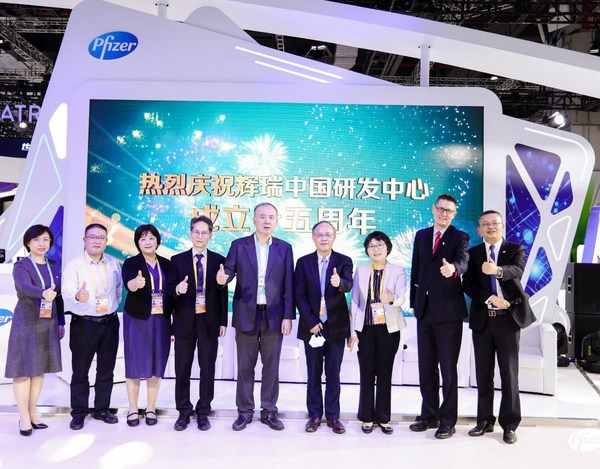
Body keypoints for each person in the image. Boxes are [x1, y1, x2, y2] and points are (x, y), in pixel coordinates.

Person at [216, 202, 294, 431]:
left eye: (271, 217)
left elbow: (289, 284)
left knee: (271, 367)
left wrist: (288, 316)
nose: (267, 221)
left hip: (274, 315)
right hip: (246, 314)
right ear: (254, 220)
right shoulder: (239, 245)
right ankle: (244, 412)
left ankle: (269, 411)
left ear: (276, 221)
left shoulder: (284, 248)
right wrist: (222, 279)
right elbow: (228, 271)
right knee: (244, 366)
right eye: (262, 217)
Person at [462, 210, 535, 444]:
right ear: (479, 230)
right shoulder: (473, 254)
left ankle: (509, 425)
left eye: (495, 223)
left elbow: (518, 269)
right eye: (486, 224)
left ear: (503, 226)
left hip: (508, 320)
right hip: (483, 320)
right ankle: (484, 421)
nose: (491, 227)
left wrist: (498, 271)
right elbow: (468, 284)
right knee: (484, 374)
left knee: (509, 374)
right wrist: (489, 298)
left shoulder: (515, 249)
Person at [409, 193, 469, 439]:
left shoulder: (459, 237)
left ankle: (448, 421)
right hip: (424, 310)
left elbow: (463, 261)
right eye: (441, 209)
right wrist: (414, 303)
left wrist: (453, 269)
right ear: (433, 210)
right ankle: (429, 415)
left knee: (448, 369)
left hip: (448, 313)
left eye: (449, 211)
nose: (444, 214)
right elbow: (416, 270)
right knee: (426, 367)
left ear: (454, 214)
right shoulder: (422, 235)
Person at [167, 216, 228, 432]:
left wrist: (223, 321)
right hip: (184, 321)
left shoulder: (219, 260)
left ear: (210, 235)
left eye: (204, 232)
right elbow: (170, 289)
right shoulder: (177, 260)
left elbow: (222, 293)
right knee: (182, 368)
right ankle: (183, 411)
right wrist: (177, 289)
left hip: (209, 321)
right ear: (190, 233)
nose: (200, 236)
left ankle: (203, 411)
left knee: (207, 368)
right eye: (196, 232)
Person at [4, 224, 65, 436]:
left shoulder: (54, 265)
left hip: (48, 321)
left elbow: (58, 295)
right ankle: (23, 417)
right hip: (26, 321)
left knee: (39, 369)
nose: (41, 244)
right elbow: (25, 287)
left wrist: (61, 321)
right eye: (37, 240)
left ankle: (32, 414)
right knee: (23, 370)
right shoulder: (21, 266)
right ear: (28, 243)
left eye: (46, 240)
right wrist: (43, 293)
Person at [295, 221, 353, 434]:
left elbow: (349, 285)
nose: (324, 238)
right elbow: (299, 295)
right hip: (312, 327)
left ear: (334, 237)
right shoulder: (303, 262)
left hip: (336, 326)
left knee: (333, 374)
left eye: (328, 234)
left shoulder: (344, 261)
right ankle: (314, 416)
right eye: (320, 235)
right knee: (313, 373)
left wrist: (339, 283)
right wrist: (311, 322)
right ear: (313, 238)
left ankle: (333, 417)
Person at [62, 223, 122, 430]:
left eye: (101, 237)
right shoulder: (75, 265)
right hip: (84, 324)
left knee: (106, 369)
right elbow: (67, 292)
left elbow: (118, 290)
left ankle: (102, 409)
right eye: (93, 237)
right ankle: (79, 412)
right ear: (84, 240)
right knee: (80, 370)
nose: (97, 241)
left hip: (110, 323)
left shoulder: (113, 263)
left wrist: (110, 308)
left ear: (106, 241)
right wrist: (79, 296)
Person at [348, 231, 406, 435]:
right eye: (371, 246)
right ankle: (366, 417)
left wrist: (391, 299)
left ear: (387, 248)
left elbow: (402, 298)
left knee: (384, 373)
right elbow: (355, 301)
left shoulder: (398, 270)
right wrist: (353, 331)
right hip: (365, 329)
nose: (376, 249)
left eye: (380, 245)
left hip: (389, 329)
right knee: (366, 373)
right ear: (367, 250)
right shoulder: (361, 271)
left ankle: (383, 418)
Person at [121, 224, 173, 427]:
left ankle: (151, 407)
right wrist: (135, 284)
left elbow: (172, 291)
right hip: (137, 319)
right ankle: (133, 408)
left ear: (157, 241)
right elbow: (129, 284)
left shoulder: (167, 264)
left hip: (161, 319)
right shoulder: (131, 263)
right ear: (137, 243)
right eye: (143, 239)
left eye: (151, 238)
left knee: (156, 364)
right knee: (134, 362)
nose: (148, 242)